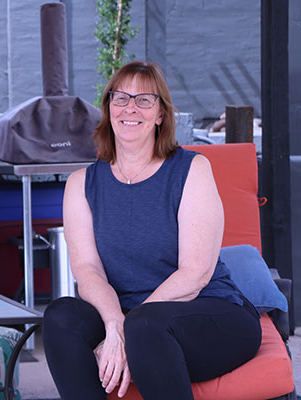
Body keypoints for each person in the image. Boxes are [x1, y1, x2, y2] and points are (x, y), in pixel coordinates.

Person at [42, 61, 261, 399]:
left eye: (144, 100)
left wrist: (127, 330)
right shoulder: (81, 184)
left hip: (209, 314)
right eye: (121, 98)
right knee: (61, 316)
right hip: (131, 316)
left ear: (161, 114)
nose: (131, 108)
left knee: (146, 327)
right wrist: (114, 323)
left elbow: (196, 274)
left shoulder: (192, 169)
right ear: (109, 109)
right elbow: (87, 270)